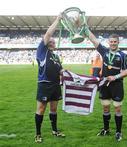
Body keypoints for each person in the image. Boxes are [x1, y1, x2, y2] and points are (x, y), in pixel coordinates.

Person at [85, 30, 127, 141]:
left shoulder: (123, 55)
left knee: (117, 108)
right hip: (105, 85)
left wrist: (115, 77)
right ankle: (106, 129)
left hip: (117, 85)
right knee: (105, 107)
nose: (113, 43)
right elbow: (93, 40)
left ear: (118, 42)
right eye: (111, 41)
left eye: (115, 41)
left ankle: (118, 132)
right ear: (108, 42)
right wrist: (86, 29)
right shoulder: (104, 51)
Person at [35, 13, 65, 143]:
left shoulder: (56, 56)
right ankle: (38, 134)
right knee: (41, 109)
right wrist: (58, 20)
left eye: (53, 42)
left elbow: (60, 70)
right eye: (50, 41)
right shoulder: (42, 50)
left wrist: (68, 74)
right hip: (44, 84)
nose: (52, 42)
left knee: (53, 109)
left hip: (55, 85)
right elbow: (47, 34)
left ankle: (54, 130)